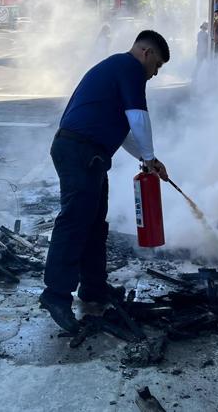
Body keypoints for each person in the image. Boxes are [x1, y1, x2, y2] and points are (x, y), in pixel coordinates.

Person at [39, 30, 170, 333]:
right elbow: (138, 117)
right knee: (74, 222)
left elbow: (123, 131)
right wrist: (149, 157)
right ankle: (56, 295)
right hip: (79, 151)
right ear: (146, 54)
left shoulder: (116, 69)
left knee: (95, 223)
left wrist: (149, 158)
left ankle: (94, 288)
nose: (154, 74)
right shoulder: (130, 69)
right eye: (157, 66)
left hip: (87, 153)